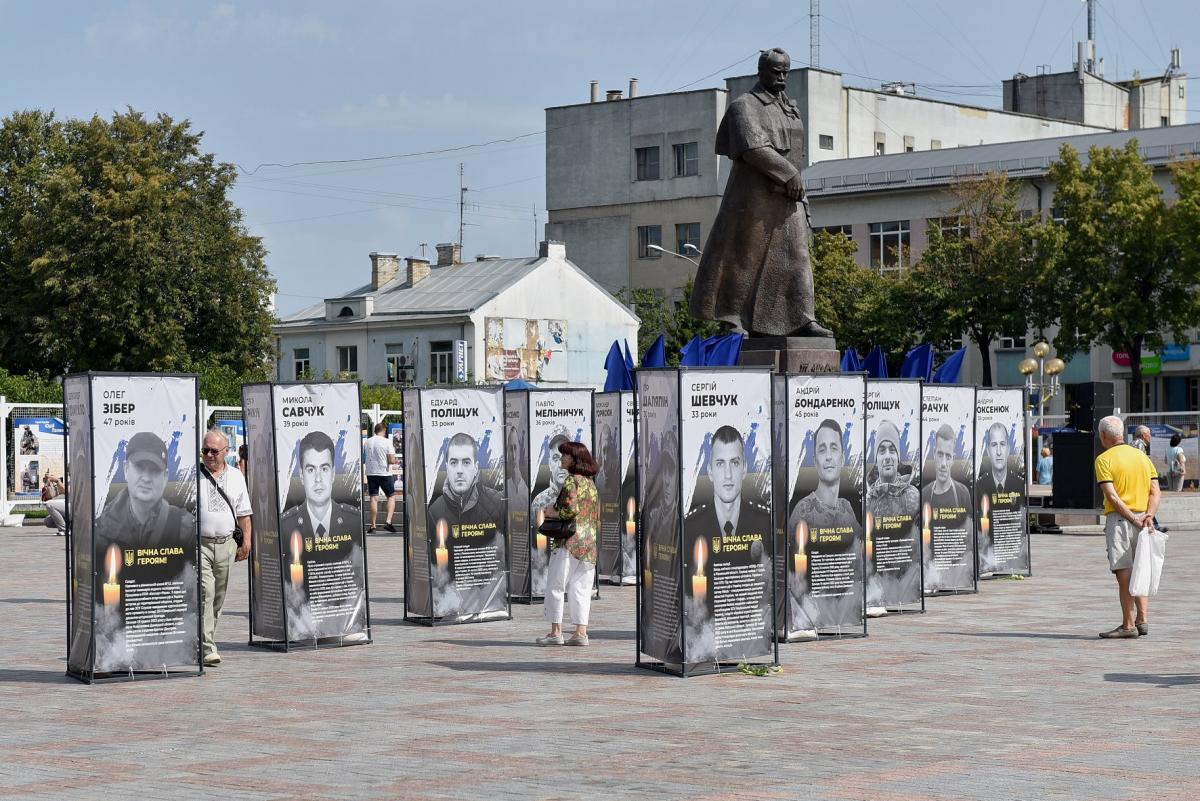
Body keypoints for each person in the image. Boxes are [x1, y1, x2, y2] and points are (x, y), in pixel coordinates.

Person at [689, 48, 832, 339]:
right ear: (761, 71)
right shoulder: (744, 106)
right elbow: (753, 148)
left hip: (787, 197)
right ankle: (732, 317)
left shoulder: (790, 108)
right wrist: (789, 173)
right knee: (744, 258)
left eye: (785, 72)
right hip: (752, 200)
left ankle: (801, 318)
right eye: (776, 72)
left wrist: (794, 181)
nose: (782, 78)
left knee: (797, 256)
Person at [1094, 415, 1160, 639]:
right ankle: (1143, 618)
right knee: (1141, 569)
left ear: (1104, 435)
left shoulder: (1104, 459)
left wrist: (1132, 518)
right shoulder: (1142, 457)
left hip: (1121, 520)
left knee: (1124, 574)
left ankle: (1128, 624)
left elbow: (1112, 496)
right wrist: (1149, 515)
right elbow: (1155, 491)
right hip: (1144, 520)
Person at [537, 441, 600, 646]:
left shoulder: (572, 481)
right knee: (581, 588)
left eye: (565, 455)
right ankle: (581, 633)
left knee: (556, 585)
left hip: (569, 542)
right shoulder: (590, 484)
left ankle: (556, 632)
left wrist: (551, 512)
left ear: (575, 459)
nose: (562, 458)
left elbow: (569, 510)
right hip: (589, 544)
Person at [197, 429, 252, 666]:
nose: (209, 455)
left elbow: (244, 513)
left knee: (218, 597)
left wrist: (246, 542)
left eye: (214, 451)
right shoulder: (194, 475)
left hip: (226, 544)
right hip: (200, 544)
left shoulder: (237, 476)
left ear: (226, 452)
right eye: (205, 450)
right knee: (206, 592)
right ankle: (207, 647)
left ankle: (203, 640)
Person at [95, 431, 195, 551]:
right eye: (139, 467)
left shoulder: (185, 528)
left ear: (165, 477)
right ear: (126, 469)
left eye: (155, 470)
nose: (146, 478)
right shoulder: (101, 529)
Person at [686, 425, 771, 543]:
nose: (728, 475)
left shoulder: (766, 523)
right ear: (710, 472)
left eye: (735, 463)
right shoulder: (689, 527)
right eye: (720, 464)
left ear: (744, 469)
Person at [280, 431, 360, 541]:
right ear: (301, 475)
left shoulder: (354, 521)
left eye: (324, 469)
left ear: (333, 473)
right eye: (311, 470)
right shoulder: (286, 525)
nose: (318, 479)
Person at [789, 419, 862, 535]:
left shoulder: (846, 507)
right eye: (822, 450)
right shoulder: (802, 511)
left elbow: (862, 543)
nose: (828, 456)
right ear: (815, 461)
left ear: (843, 459)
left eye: (834, 448)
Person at [428, 432, 505, 526]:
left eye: (466, 462)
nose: (459, 470)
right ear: (447, 468)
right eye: (454, 463)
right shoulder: (434, 511)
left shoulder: (498, 503)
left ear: (476, 468)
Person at [866, 420, 919, 520]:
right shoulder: (867, 503)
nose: (887, 456)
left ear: (898, 457)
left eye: (892, 450)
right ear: (876, 460)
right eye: (882, 450)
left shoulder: (914, 497)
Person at [920, 424, 972, 521]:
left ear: (953, 459)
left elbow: (969, 528)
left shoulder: (963, 494)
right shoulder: (924, 495)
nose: (943, 463)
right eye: (940, 455)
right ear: (934, 454)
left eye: (948, 456)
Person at [363, 422, 398, 532]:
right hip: (384, 473)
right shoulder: (387, 442)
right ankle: (388, 522)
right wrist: (395, 460)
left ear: (375, 430)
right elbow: (391, 460)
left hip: (371, 473)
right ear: (384, 431)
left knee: (373, 498)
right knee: (391, 497)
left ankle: (373, 525)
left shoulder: (367, 442)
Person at [977, 422, 1024, 497]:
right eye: (994, 445)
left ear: (1008, 449)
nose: (998, 452)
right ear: (988, 451)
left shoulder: (1019, 484)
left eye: (1002, 444)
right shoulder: (979, 486)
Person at [531, 433, 571, 517]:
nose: (560, 464)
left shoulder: (582, 498)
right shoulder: (538, 502)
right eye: (556, 458)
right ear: (549, 464)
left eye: (565, 457)